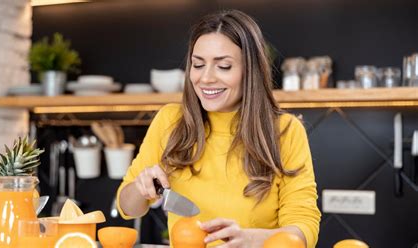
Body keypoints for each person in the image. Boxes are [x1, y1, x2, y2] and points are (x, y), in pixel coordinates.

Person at [117, 9, 320, 248]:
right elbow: (127, 207)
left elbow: (304, 226)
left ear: (250, 71)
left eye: (223, 66)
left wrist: (252, 239)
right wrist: (141, 187)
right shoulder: (171, 121)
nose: (206, 78)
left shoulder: (284, 131)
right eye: (198, 64)